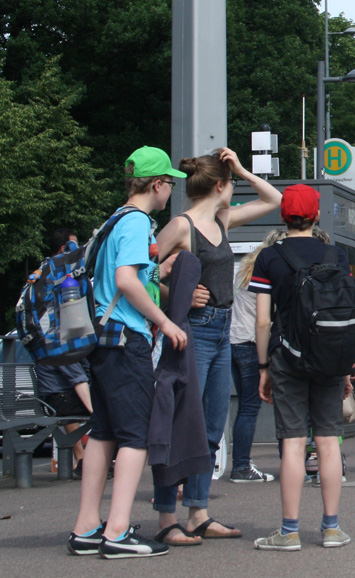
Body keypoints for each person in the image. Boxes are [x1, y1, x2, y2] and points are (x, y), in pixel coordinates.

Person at [152, 147, 281, 544]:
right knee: (180, 425)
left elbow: (275, 200)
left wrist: (240, 167)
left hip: (221, 329)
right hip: (192, 331)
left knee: (210, 425)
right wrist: (176, 292)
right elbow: (140, 272)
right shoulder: (181, 225)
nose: (235, 188)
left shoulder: (222, 220)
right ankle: (165, 518)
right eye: (232, 182)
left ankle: (198, 512)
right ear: (221, 187)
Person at [69, 146, 188, 559]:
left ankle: (87, 526)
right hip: (126, 340)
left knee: (102, 431)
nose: (171, 191)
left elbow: (117, 277)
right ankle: (118, 532)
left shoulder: (113, 221)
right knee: (135, 436)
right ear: (157, 185)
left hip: (100, 342)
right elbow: (127, 280)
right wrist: (167, 321)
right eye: (169, 184)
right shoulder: (138, 222)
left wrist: (159, 272)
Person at [251, 184, 353, 551]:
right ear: (316, 216)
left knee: (292, 443)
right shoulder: (335, 254)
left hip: (286, 355)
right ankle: (331, 528)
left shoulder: (269, 258)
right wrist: (344, 367)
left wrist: (264, 366)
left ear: (283, 217)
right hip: (328, 357)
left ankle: (289, 531)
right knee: (327, 441)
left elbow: (263, 321)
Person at [228, 229, 287, 483]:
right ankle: (242, 466)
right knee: (256, 407)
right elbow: (269, 316)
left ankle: (241, 463)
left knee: (245, 406)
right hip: (253, 343)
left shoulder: (244, 269)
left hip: (233, 341)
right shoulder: (270, 271)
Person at [39, 228, 92, 478]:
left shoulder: (44, 289)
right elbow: (76, 377)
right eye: (73, 247)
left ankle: (84, 459)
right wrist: (96, 410)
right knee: (101, 404)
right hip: (56, 395)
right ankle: (88, 460)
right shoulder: (59, 324)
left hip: (54, 392)